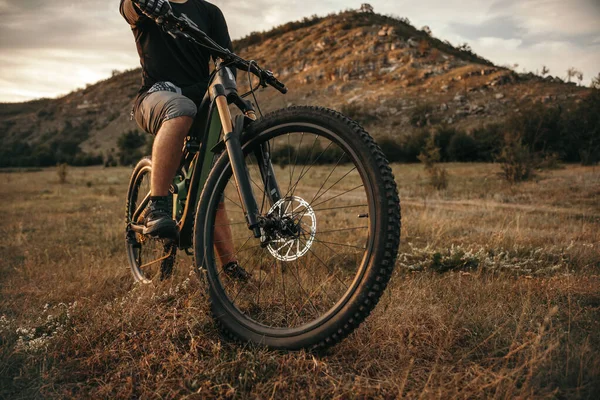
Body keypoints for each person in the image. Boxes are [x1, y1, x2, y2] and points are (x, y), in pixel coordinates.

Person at [120, 0, 249, 280]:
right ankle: (158, 205)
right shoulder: (146, 6)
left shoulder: (210, 12)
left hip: (200, 99)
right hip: (156, 97)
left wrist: (228, 86)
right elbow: (129, 8)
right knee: (181, 110)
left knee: (208, 182)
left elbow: (225, 58)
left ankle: (230, 267)